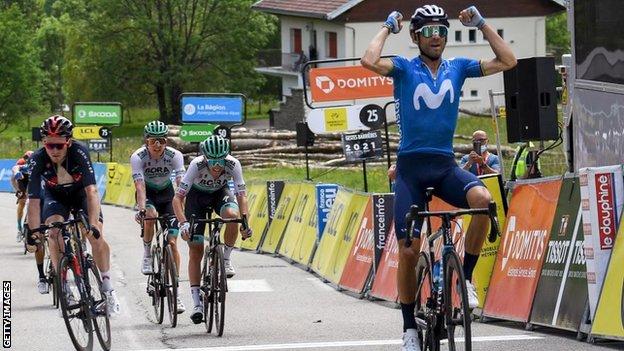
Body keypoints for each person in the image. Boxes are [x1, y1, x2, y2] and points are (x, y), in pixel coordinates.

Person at [361, 5, 516, 350]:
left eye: (441, 31)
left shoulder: (457, 68)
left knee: (483, 201)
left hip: (445, 165)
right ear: (415, 36)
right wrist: (387, 27)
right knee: (409, 251)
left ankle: (467, 279)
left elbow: (508, 61)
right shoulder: (403, 68)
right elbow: (369, 61)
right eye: (428, 31)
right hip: (411, 170)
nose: (436, 37)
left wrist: (481, 24)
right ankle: (408, 329)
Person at [26, 115, 120, 314]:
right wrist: (33, 233)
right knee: (53, 232)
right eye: (50, 145)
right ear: (44, 143)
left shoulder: (79, 152)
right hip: (55, 197)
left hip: (80, 195)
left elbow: (92, 191)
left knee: (96, 236)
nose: (54, 151)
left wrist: (93, 224)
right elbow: (33, 201)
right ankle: (64, 286)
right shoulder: (37, 159)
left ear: (68, 141)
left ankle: (107, 288)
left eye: (59, 146)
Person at [172, 135, 252, 324]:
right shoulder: (196, 165)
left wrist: (245, 223)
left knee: (232, 217)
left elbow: (241, 196)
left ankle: (225, 258)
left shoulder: (233, 164)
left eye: (220, 161)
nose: (217, 166)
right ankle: (197, 303)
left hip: (219, 194)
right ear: (205, 157)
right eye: (212, 161)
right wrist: (183, 223)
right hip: (196, 198)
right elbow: (177, 199)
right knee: (195, 248)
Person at [131, 120, 186, 313]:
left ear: (166, 142)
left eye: (161, 141)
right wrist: (141, 209)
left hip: (168, 195)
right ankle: (147, 254)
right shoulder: (138, 156)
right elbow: (140, 186)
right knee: (151, 216)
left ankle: (176, 294)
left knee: (172, 242)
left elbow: (181, 184)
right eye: (153, 141)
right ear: (146, 141)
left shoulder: (175, 155)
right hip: (148, 195)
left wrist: (182, 212)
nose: (157, 145)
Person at [11, 151, 33, 241]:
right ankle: (19, 228)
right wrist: (18, 191)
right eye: (26, 159)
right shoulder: (21, 163)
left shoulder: (35, 163)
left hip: (31, 180)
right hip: (22, 180)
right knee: (22, 202)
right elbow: (13, 180)